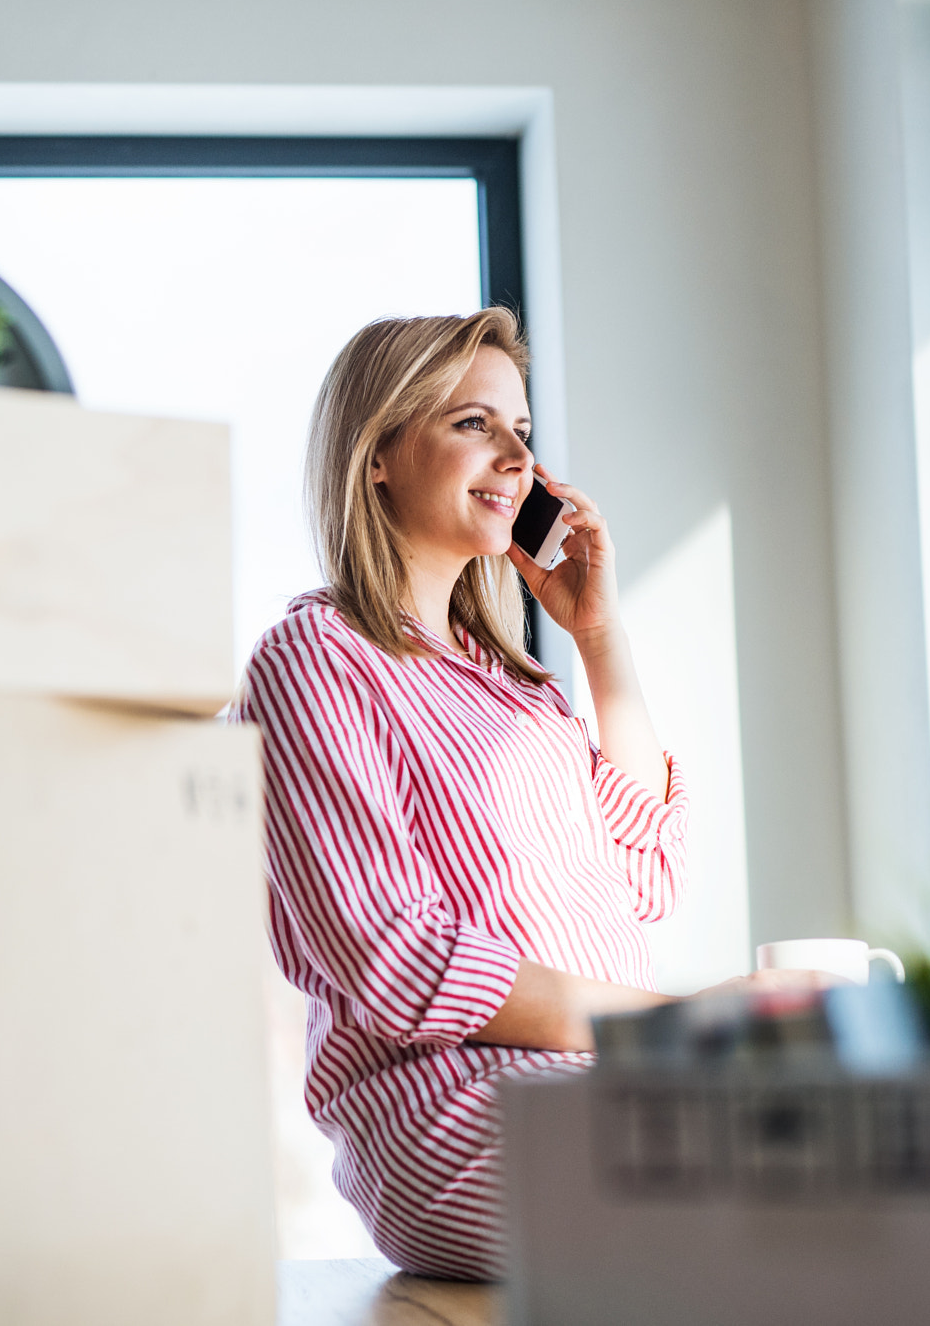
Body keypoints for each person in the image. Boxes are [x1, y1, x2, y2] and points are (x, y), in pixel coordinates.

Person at [234, 308, 821, 1281]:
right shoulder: (314, 661)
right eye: (473, 424)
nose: (515, 457)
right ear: (375, 453)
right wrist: (686, 1022)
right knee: (815, 1220)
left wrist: (598, 639)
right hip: (457, 1112)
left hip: (611, 1084)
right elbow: (394, 957)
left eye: (522, 432)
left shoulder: (520, 693)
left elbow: (640, 879)